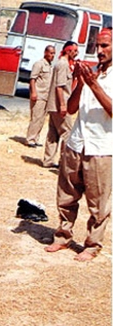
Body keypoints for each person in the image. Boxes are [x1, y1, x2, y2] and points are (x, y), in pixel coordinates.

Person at [45, 29, 112, 262]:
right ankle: (63, 236)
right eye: (97, 46)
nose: (99, 51)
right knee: (67, 194)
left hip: (101, 147)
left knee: (98, 202)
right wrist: (82, 83)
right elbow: (72, 108)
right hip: (77, 142)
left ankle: (92, 245)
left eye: (105, 46)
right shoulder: (91, 72)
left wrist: (94, 85)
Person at [43, 41, 78, 168]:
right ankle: (65, 162)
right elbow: (60, 87)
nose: (76, 53)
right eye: (74, 50)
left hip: (53, 105)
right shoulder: (63, 64)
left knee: (53, 134)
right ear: (68, 51)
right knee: (68, 133)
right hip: (59, 105)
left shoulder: (61, 63)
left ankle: (48, 160)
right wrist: (63, 105)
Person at [26, 45, 56, 148]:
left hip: (46, 96)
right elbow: (32, 79)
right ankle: (30, 139)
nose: (52, 55)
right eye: (51, 53)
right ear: (45, 53)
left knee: (42, 119)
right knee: (36, 117)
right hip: (39, 94)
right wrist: (33, 92)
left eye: (54, 53)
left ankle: (36, 138)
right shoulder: (39, 64)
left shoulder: (50, 66)